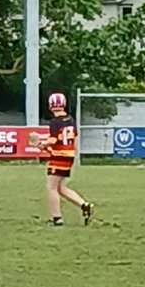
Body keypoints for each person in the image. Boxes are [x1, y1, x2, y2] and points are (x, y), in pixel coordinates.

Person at [36, 91, 94, 226]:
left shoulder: (55, 122)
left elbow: (53, 139)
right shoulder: (70, 120)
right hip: (69, 156)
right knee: (61, 188)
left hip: (58, 157)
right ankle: (84, 205)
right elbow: (74, 137)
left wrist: (42, 144)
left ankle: (57, 218)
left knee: (51, 188)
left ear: (50, 106)